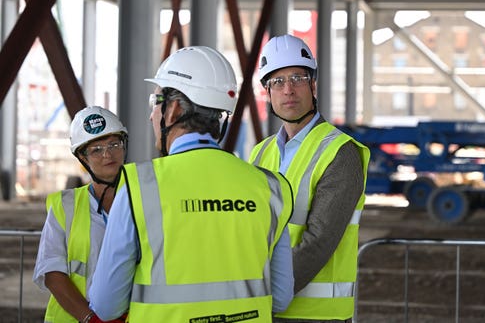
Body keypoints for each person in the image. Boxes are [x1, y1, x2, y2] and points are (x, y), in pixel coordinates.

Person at [88, 46, 294, 322]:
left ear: (173, 110)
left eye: (156, 102)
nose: (152, 115)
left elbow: (105, 305)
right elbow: (280, 297)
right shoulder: (270, 188)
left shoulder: (140, 187)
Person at [249, 35, 370, 322]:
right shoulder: (259, 153)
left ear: (312, 85)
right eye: (277, 82)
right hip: (264, 309)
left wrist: (261, 293)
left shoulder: (341, 152)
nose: (288, 89)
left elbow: (318, 242)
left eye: (297, 78)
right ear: (267, 92)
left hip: (314, 314)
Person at [33, 106, 129, 323]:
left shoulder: (143, 198)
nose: (108, 154)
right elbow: (53, 274)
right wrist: (90, 319)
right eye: (96, 149)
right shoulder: (64, 206)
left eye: (114, 144)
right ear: (82, 158)